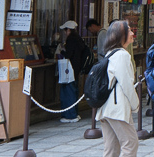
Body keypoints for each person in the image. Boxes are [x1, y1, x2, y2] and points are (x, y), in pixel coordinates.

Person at [96, 20, 139, 157]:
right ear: (122, 35)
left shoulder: (110, 53)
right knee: (130, 144)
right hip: (117, 108)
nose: (133, 33)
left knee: (111, 149)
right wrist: (135, 104)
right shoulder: (122, 55)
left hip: (106, 107)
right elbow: (126, 84)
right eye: (130, 31)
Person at [58, 20, 87, 123]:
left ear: (69, 30)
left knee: (68, 92)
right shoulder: (79, 39)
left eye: (65, 30)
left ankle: (69, 115)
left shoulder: (71, 39)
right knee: (74, 91)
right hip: (76, 68)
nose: (65, 32)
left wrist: (61, 51)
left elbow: (68, 55)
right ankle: (74, 113)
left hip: (69, 69)